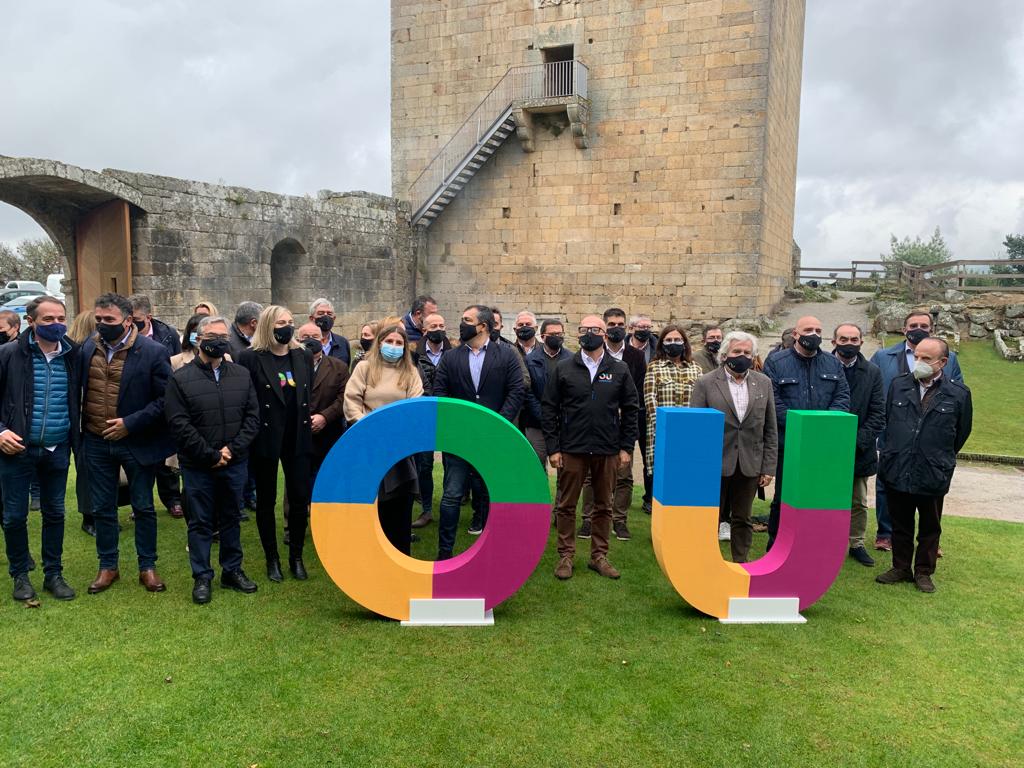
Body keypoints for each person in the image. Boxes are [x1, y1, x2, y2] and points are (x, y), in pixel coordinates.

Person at [80, 293, 175, 594]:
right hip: (96, 440)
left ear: (128, 320)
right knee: (102, 507)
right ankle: (108, 566)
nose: (102, 324)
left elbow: (165, 399)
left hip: (137, 441)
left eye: (109, 319)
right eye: (98, 319)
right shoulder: (87, 347)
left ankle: (147, 566)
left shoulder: (153, 352)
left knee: (143, 506)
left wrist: (130, 423)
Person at [164, 316, 261, 604]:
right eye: (212, 336)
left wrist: (231, 450)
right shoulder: (180, 378)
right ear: (198, 339)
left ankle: (232, 570)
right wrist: (211, 455)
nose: (219, 341)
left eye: (223, 336)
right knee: (200, 522)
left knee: (231, 518)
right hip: (198, 465)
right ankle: (202, 576)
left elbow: (252, 418)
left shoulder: (241, 374)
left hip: (234, 462)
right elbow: (179, 423)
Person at [543, 315, 639, 580]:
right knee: (566, 504)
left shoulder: (619, 369)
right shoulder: (564, 368)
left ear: (604, 334)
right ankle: (566, 555)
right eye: (583, 329)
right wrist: (553, 448)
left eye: (594, 329)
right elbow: (549, 408)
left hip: (607, 449)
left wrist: (626, 447)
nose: (589, 334)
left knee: (604, 505)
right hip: (572, 448)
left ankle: (599, 556)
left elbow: (631, 409)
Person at [876, 338, 972, 593]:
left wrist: (938, 456)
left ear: (943, 362)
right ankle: (900, 567)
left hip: (932, 469)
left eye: (926, 358)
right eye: (917, 356)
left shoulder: (958, 393)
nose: (919, 362)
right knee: (900, 523)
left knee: (930, 526)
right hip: (899, 466)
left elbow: (961, 432)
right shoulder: (899, 385)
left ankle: (923, 572)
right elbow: (889, 421)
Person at [0, 296, 80, 601]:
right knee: (14, 516)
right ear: (30, 321)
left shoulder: (73, 355)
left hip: (57, 448)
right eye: (48, 319)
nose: (56, 324)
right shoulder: (9, 354)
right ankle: (20, 575)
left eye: (60, 318)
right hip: (17, 449)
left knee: (55, 513)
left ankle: (53, 574)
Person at [432, 305, 525, 558]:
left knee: (493, 495)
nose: (462, 324)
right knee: (452, 495)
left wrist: (497, 424)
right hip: (459, 441)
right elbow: (440, 393)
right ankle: (444, 552)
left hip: (493, 439)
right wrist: (458, 425)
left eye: (467, 320)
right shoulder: (450, 358)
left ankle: (493, 552)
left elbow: (516, 391)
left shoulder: (506, 355)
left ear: (482, 326)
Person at [870, 310, 964, 552]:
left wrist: (944, 445)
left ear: (931, 329)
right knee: (887, 485)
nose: (918, 329)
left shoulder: (950, 359)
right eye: (913, 325)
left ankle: (929, 542)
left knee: (929, 492)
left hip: (931, 439)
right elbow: (875, 392)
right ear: (904, 329)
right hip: (894, 433)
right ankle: (885, 533)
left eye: (924, 325)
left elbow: (959, 405)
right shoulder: (883, 356)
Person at [238, 306, 314, 583]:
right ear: (268, 325)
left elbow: (306, 395)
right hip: (266, 437)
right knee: (266, 500)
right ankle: (272, 558)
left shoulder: (303, 355)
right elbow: (247, 399)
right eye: (281, 322)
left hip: (297, 436)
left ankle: (296, 556)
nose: (287, 327)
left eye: (291, 321)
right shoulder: (250, 357)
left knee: (299, 498)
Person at [762, 315, 850, 551]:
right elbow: (773, 402)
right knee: (783, 498)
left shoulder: (832, 364)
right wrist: (802, 428)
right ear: (795, 334)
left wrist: (821, 428)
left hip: (821, 446)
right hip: (789, 444)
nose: (814, 334)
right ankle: (776, 546)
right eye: (808, 329)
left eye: (818, 330)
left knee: (817, 499)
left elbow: (842, 398)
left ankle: (812, 546)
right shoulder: (776, 362)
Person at [690, 331, 777, 562]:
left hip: (750, 463)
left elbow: (770, 429)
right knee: (710, 517)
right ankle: (706, 561)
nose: (742, 356)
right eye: (737, 351)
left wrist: (768, 468)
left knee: (743, 518)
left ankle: (741, 563)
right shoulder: (706, 383)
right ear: (724, 354)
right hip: (714, 464)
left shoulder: (764, 383)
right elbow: (695, 429)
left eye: (747, 352)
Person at [344, 323, 424, 554]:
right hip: (368, 445)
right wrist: (368, 428)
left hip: (398, 449)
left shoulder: (410, 372)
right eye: (389, 341)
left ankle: (400, 554)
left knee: (399, 505)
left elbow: (414, 406)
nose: (394, 346)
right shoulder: (364, 367)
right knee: (370, 504)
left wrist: (394, 433)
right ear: (379, 343)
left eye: (399, 343)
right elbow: (352, 401)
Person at [579, 308, 648, 542]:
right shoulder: (594, 352)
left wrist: (620, 409)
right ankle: (588, 519)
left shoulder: (636, 356)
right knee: (591, 474)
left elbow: (637, 391)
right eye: (611, 324)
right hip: (597, 422)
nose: (616, 328)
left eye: (620, 324)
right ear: (604, 328)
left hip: (623, 421)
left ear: (626, 327)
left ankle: (619, 520)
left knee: (624, 473)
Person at [832, 323, 886, 567]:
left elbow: (878, 413)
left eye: (854, 339)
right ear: (834, 341)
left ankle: (856, 543)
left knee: (858, 501)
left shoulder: (872, 372)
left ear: (861, 342)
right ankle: (825, 540)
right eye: (844, 339)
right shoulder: (823, 366)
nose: (849, 343)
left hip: (859, 449)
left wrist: (854, 442)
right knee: (823, 499)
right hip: (824, 446)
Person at [129, 294, 183, 519]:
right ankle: (140, 503)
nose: (132, 324)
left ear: (148, 317)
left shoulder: (168, 334)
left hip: (164, 400)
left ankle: (173, 499)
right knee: (138, 460)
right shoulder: (125, 337)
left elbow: (178, 363)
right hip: (137, 403)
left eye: (136, 320)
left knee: (166, 456)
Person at [641, 323, 703, 514]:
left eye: (677, 339)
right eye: (669, 340)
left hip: (689, 433)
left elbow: (701, 400)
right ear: (662, 344)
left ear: (684, 343)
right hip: (662, 432)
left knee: (685, 474)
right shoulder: (654, 368)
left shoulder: (696, 369)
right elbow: (650, 400)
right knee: (662, 475)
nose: (673, 343)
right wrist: (664, 427)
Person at [412, 313, 452, 528]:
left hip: (450, 416)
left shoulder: (454, 353)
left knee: (450, 463)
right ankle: (426, 510)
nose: (438, 329)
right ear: (424, 330)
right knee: (425, 465)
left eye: (441, 325)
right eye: (433, 326)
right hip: (423, 418)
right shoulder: (414, 354)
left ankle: (448, 506)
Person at [296, 322, 349, 481]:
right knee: (297, 483)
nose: (310, 340)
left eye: (315, 337)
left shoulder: (339, 367)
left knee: (327, 480)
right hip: (297, 436)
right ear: (297, 340)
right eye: (305, 337)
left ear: (323, 340)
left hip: (329, 435)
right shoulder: (289, 366)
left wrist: (325, 417)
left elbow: (344, 397)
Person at [522, 319, 572, 468]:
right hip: (536, 423)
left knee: (566, 466)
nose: (557, 337)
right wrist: (543, 415)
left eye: (559, 334)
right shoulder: (530, 360)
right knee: (536, 465)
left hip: (565, 423)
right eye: (552, 334)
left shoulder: (572, 359)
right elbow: (528, 391)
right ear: (543, 336)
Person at [68, 312, 96, 535]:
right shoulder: (79, 354)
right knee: (88, 472)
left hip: (80, 421)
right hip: (83, 422)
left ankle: (93, 516)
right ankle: (89, 517)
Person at [308, 298, 351, 365]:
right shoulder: (305, 344)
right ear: (312, 318)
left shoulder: (343, 343)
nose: (326, 316)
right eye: (321, 313)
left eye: (329, 314)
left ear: (334, 319)